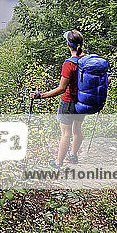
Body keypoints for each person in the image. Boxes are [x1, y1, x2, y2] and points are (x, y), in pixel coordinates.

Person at [30, 30, 86, 169]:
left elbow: (62, 89)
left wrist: (40, 96)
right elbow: (106, 78)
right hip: (82, 102)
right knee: (77, 129)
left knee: (66, 133)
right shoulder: (88, 60)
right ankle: (73, 155)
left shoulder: (69, 64)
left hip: (68, 102)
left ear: (68, 45)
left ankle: (59, 163)